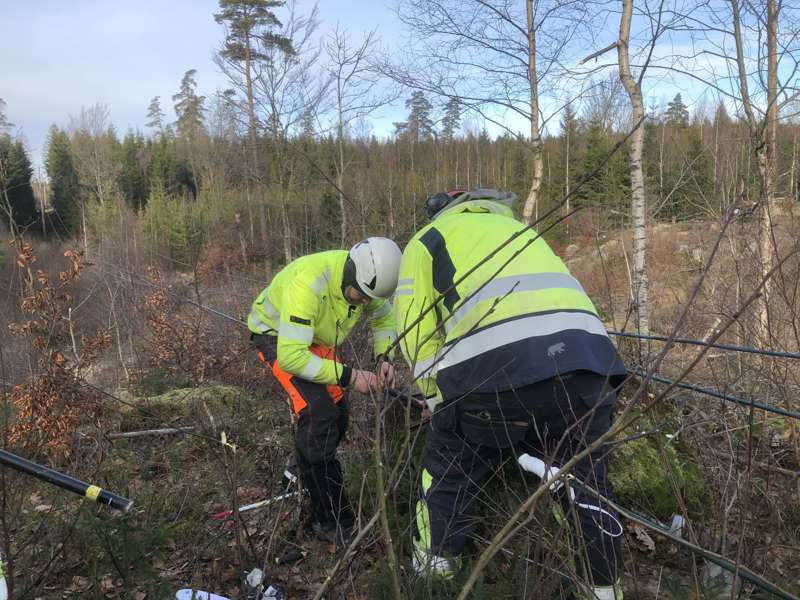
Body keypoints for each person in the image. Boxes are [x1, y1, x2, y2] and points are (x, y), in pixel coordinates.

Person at [393, 189, 627, 599]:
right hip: (591, 366)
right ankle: (604, 590)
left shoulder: (428, 240)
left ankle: (432, 577)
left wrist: (437, 401)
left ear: (439, 213)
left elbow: (415, 338)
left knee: (449, 472)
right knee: (587, 484)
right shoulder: (521, 231)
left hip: (495, 377)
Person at [247, 237, 401, 544]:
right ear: (349, 274)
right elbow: (292, 357)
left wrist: (385, 357)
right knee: (320, 415)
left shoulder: (369, 284)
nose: (364, 304)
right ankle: (330, 519)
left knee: (339, 418)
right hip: (280, 338)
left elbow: (383, 317)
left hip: (315, 339)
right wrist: (349, 375)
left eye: (370, 298)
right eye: (360, 296)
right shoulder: (309, 283)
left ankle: (299, 468)